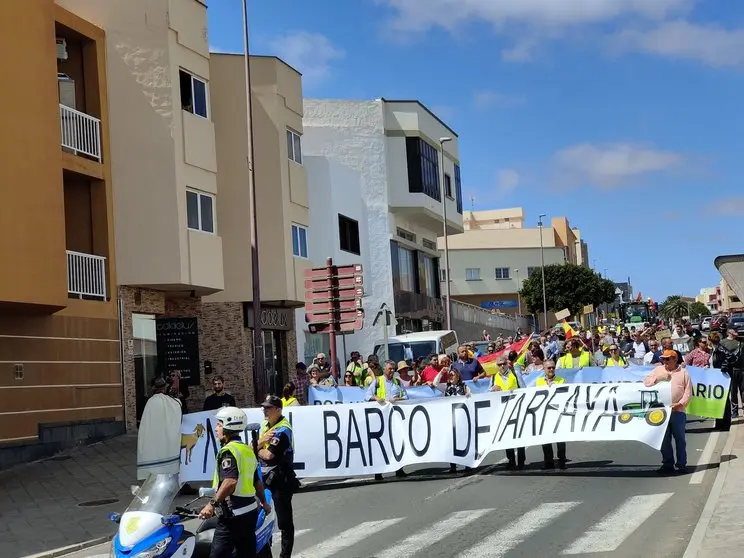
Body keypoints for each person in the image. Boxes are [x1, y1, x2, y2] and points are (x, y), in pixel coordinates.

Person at [199, 407, 271, 558]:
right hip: (250, 511)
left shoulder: (229, 451)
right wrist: (263, 502)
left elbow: (230, 481)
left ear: (227, 426)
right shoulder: (247, 450)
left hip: (233, 516)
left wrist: (211, 504)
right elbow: (256, 481)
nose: (216, 428)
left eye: (219, 424)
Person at [257, 396, 298, 558]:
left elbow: (267, 455)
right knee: (263, 518)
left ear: (278, 410)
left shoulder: (283, 429)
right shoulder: (265, 425)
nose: (264, 411)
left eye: (268, 408)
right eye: (264, 407)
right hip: (265, 478)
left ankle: (285, 556)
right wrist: (259, 442)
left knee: (284, 521)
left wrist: (256, 447)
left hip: (282, 479)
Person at [644, 350, 692, 475]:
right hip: (662, 411)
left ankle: (681, 464)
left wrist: (680, 404)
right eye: (663, 359)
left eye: (667, 359)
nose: (665, 361)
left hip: (677, 411)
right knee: (664, 439)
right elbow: (646, 383)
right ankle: (667, 463)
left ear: (675, 359)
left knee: (680, 439)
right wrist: (658, 378)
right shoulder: (658, 370)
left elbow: (688, 392)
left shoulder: (683, 373)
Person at [137, 377, 182, 480]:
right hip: (165, 437)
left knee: (155, 454)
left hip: (152, 437)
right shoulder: (169, 401)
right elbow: (179, 405)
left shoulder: (149, 402)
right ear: (165, 387)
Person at [536, 361, 567, 469]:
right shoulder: (539, 382)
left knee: (560, 440)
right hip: (544, 415)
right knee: (545, 439)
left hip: (557, 413)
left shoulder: (561, 380)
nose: (551, 369)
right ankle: (548, 462)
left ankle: (562, 460)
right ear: (544, 369)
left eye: (553, 367)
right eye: (548, 368)